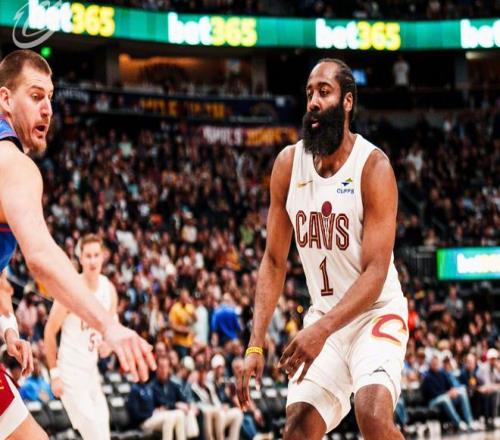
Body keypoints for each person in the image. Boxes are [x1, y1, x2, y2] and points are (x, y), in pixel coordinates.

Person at [237, 58, 408, 440]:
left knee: (372, 416)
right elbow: (273, 261)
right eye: (309, 93)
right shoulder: (288, 165)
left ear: (347, 102)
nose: (313, 101)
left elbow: (376, 273)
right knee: (297, 430)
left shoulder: (373, 168)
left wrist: (321, 330)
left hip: (374, 313)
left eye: (324, 92)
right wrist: (255, 346)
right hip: (324, 318)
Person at [0, 49, 155, 439]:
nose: (47, 109)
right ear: (5, 99)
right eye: (36, 96)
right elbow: (41, 257)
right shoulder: (14, 164)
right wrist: (109, 325)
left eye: (50, 97)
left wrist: (8, 329)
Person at [43, 234, 117, 440]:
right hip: (70, 374)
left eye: (96, 255)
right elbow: (49, 331)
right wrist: (54, 375)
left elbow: (112, 326)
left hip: (91, 372)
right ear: (81, 258)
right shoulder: (71, 290)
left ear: (103, 256)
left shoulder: (108, 289)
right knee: (94, 433)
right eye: (88, 256)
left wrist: (108, 345)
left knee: (103, 431)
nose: (93, 261)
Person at [421, 356, 474, 432]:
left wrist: (453, 390)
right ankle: (458, 423)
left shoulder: (442, 374)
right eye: (434, 364)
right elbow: (432, 394)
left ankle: (470, 422)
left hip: (445, 397)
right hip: (432, 401)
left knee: (462, 393)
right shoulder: (427, 377)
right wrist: (447, 393)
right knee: (445, 398)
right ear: (430, 365)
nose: (436, 365)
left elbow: (450, 386)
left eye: (437, 363)